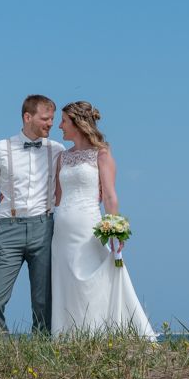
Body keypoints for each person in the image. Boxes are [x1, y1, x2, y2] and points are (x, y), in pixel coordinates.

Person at [51, 101, 156, 339]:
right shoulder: (62, 158)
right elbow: (57, 198)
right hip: (62, 230)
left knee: (93, 279)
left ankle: (97, 332)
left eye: (64, 122)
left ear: (78, 124)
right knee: (66, 283)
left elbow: (109, 195)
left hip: (88, 227)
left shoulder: (102, 154)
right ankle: (68, 336)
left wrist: (115, 229)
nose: (60, 126)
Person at [0, 94, 66, 334]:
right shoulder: (0, 148)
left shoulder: (57, 150)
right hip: (8, 229)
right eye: (46, 118)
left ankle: (41, 352)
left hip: (44, 227)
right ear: (28, 117)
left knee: (43, 302)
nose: (51, 124)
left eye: (52, 119)